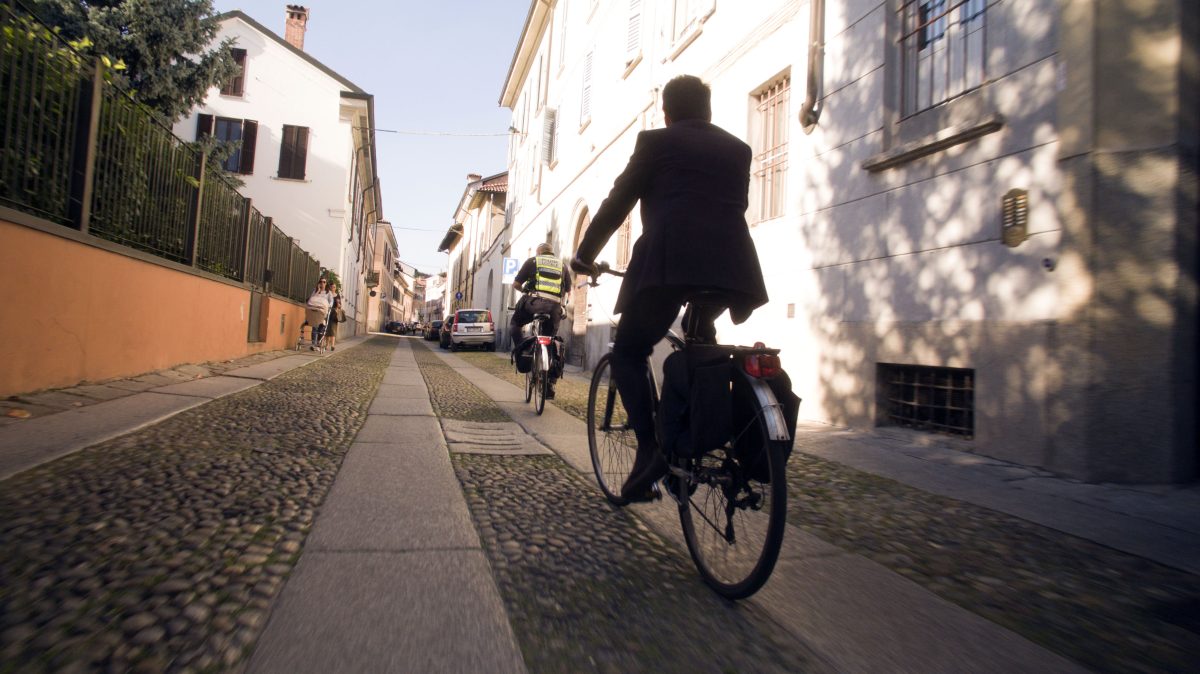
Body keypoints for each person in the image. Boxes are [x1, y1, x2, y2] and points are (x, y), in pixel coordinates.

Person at [571, 74, 768, 502]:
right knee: (705, 353)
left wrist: (584, 254)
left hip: (668, 266)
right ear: (709, 112)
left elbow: (617, 202)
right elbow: (731, 207)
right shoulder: (738, 149)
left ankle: (650, 452)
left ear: (667, 112)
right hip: (731, 271)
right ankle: (696, 441)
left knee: (629, 351)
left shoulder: (655, 143)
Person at [509, 242, 572, 394]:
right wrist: (563, 305)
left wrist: (525, 290)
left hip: (534, 304)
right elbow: (569, 290)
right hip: (554, 308)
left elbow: (516, 284)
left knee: (515, 324)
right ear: (551, 253)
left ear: (539, 253)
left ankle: (524, 348)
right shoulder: (562, 266)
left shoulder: (533, 261)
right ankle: (550, 383)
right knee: (550, 340)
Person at [305, 278, 332, 351]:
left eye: (324, 282)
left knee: (321, 328)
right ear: (319, 283)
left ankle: (318, 343)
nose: (322, 283)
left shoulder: (328, 293)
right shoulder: (315, 290)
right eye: (321, 282)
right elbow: (311, 299)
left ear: (326, 283)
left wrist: (329, 306)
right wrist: (318, 291)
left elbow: (331, 302)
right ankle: (313, 344)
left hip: (323, 312)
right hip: (315, 311)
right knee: (314, 328)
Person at [325, 284, 342, 351]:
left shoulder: (337, 296)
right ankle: (326, 345)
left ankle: (332, 345)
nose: (333, 288)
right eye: (332, 287)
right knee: (327, 329)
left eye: (334, 287)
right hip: (328, 312)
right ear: (330, 288)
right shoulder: (328, 294)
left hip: (334, 314)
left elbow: (340, 306)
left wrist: (338, 305)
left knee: (333, 330)